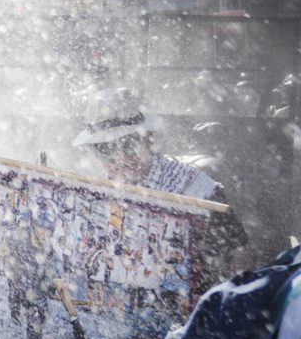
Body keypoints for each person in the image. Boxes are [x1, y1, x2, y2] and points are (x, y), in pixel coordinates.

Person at [73, 87, 248, 291]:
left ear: (149, 140)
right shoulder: (91, 194)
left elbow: (241, 252)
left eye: (128, 144)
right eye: (105, 150)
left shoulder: (195, 188)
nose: (120, 158)